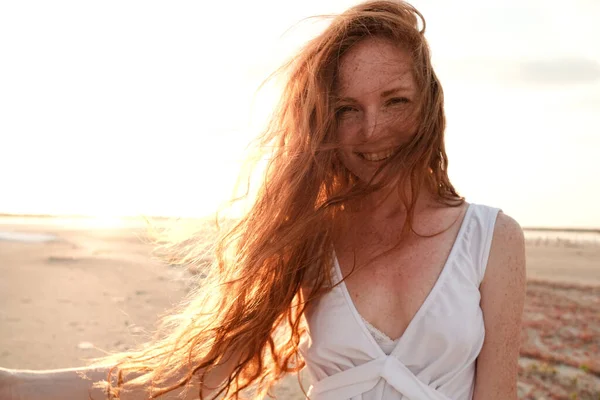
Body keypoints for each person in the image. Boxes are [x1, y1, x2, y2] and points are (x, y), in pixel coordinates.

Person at [0, 1, 526, 399]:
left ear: (429, 105)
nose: (372, 131)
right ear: (325, 122)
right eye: (347, 109)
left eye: (396, 101)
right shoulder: (312, 239)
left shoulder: (492, 239)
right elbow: (192, 375)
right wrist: (14, 383)